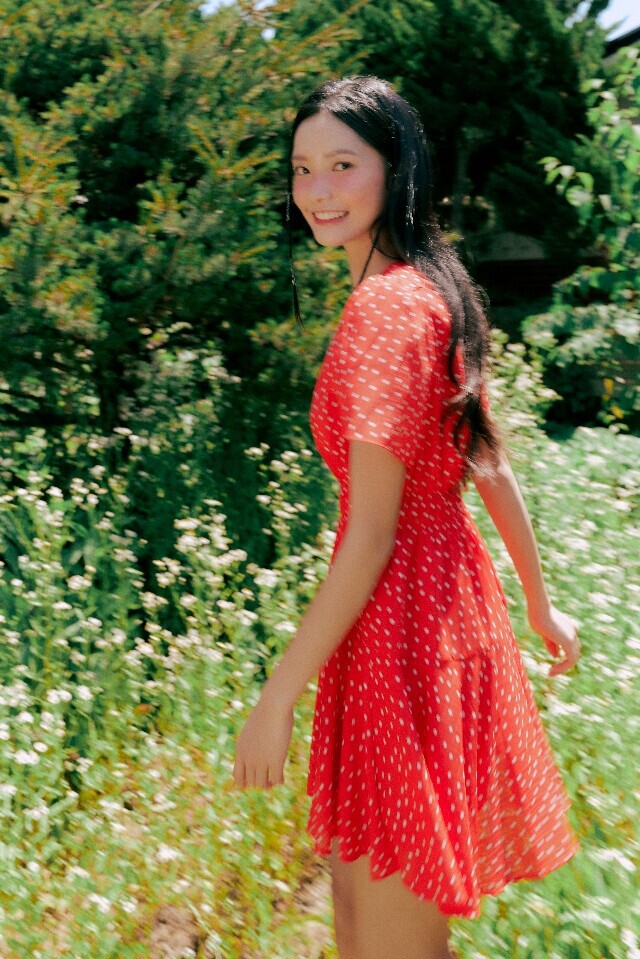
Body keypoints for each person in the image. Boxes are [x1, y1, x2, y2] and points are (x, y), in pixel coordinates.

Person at [233, 76, 581, 959]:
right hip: (441, 614)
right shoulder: (431, 287)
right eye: (301, 168)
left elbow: (373, 533)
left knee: (383, 937)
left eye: (342, 165)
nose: (317, 189)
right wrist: (538, 603)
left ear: (397, 169)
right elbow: (487, 461)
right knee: (376, 924)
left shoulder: (386, 310)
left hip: (404, 634)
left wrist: (277, 697)